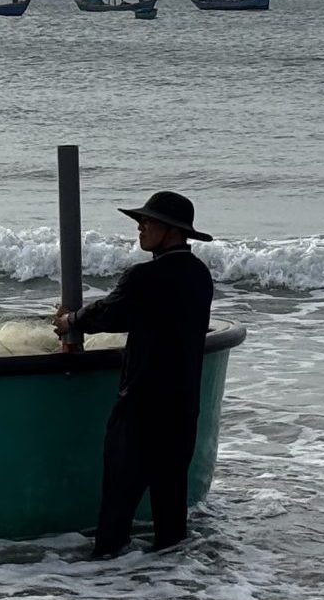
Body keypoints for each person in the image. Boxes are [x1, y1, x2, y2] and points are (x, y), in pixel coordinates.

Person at [54, 190, 215, 558]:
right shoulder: (200, 276)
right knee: (170, 513)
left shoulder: (144, 276)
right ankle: (174, 591)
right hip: (183, 406)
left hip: (141, 405)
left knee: (117, 511)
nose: (140, 227)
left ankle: (108, 587)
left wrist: (68, 322)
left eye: (148, 221)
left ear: (172, 230)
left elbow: (108, 314)